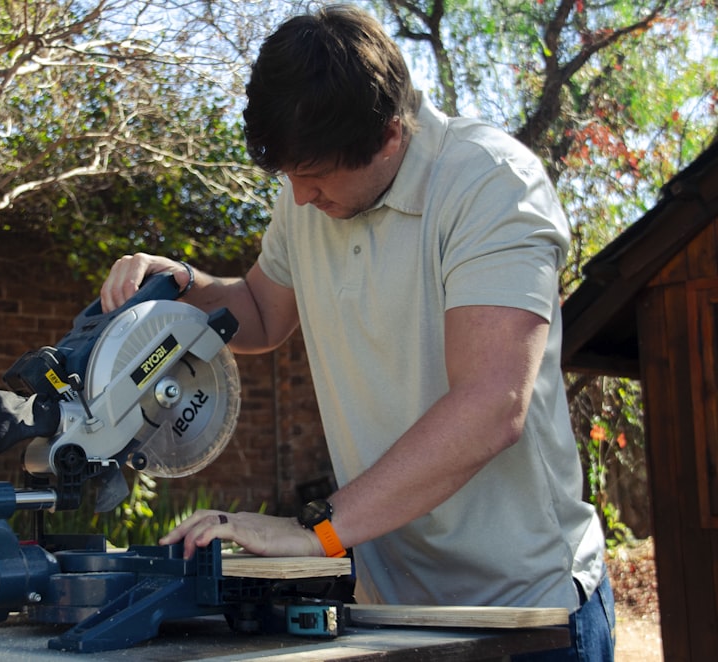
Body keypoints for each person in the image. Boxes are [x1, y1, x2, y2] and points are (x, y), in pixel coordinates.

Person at [100, 5, 614, 660]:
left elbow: (492, 405)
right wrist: (175, 286)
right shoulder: (305, 197)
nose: (301, 197)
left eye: (312, 178)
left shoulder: (490, 184)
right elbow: (258, 312)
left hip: (523, 613)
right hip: (391, 609)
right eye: (289, 177)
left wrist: (315, 532)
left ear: (391, 137)